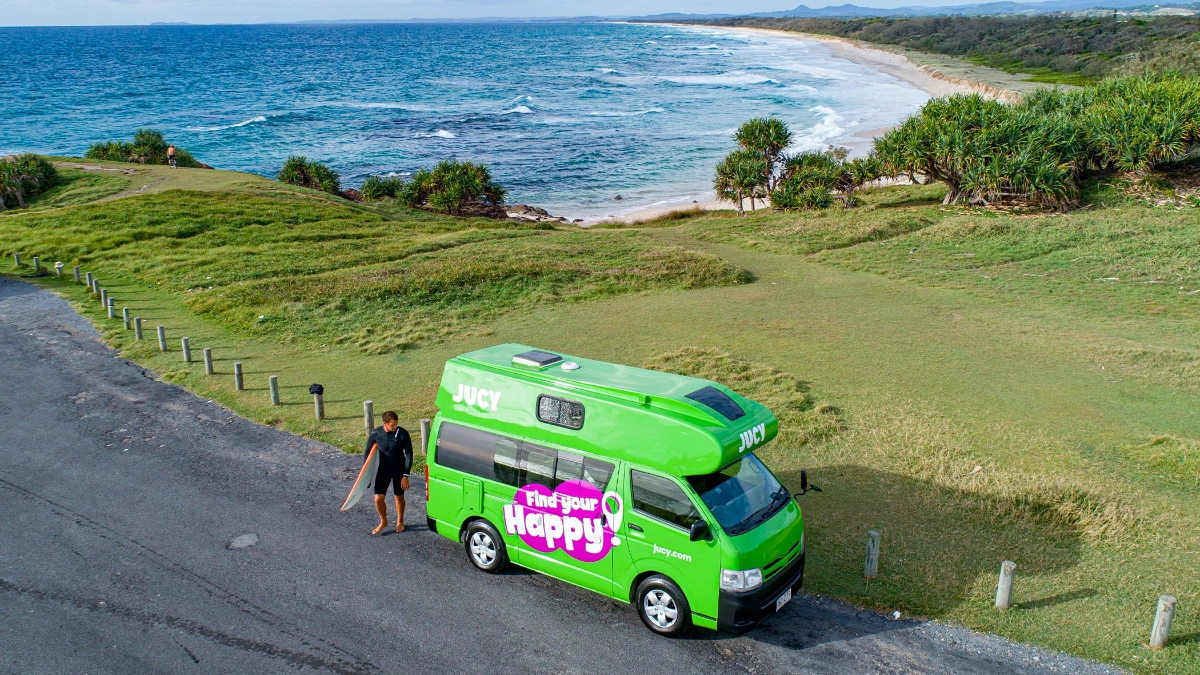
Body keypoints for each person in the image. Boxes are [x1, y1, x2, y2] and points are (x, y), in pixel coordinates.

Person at [364, 411, 413, 535]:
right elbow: (367, 453)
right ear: (385, 423)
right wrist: (366, 476)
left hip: (399, 471)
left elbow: (409, 454)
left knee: (399, 497)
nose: (395, 427)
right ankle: (383, 521)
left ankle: (400, 521)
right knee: (378, 499)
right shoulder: (376, 433)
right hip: (384, 470)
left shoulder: (403, 433)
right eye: (392, 425)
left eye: (396, 424)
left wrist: (405, 475)